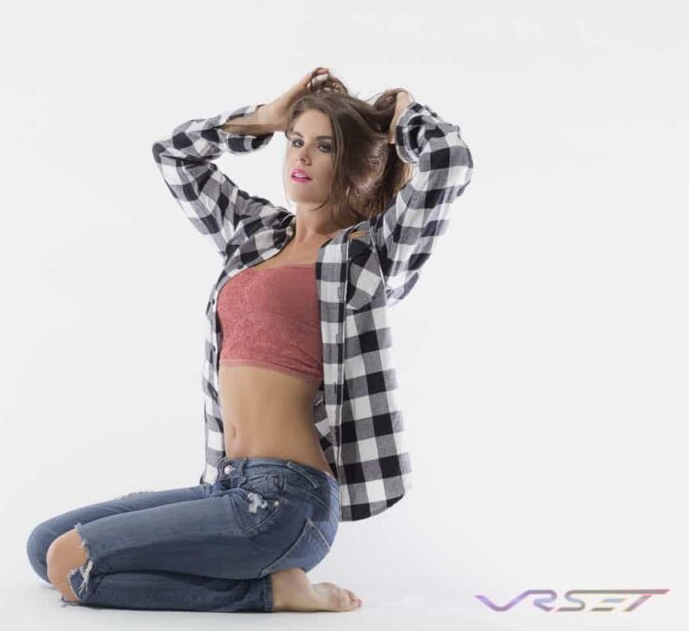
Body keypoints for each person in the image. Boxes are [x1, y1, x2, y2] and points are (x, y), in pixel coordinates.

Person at [25, 67, 474, 612]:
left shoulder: (368, 254)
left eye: (325, 147)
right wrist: (264, 119)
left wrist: (403, 116)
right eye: (296, 141)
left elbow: (449, 159)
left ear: (358, 163)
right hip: (227, 484)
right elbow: (174, 155)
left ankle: (272, 592)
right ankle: (255, 582)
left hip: (287, 502)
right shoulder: (256, 234)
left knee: (70, 565)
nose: (301, 157)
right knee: (45, 548)